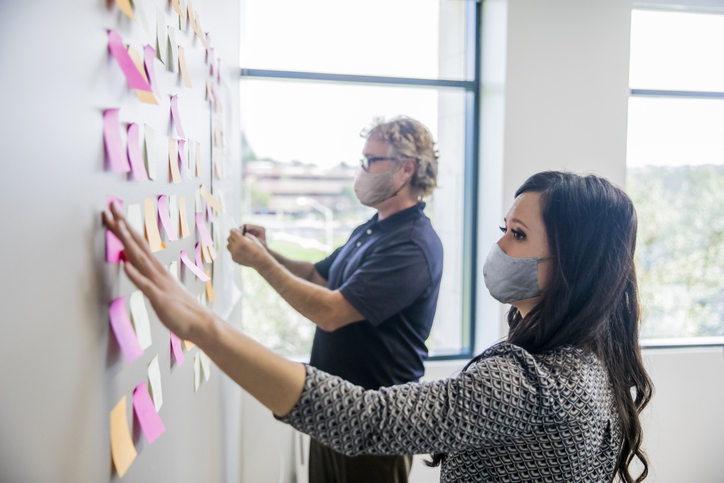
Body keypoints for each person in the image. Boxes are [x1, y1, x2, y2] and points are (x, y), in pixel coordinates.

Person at [102, 170, 653, 483]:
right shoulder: (589, 358)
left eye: (519, 235)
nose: (500, 246)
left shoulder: (534, 381)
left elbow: (369, 417)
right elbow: (323, 275)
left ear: (573, 262)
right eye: (503, 228)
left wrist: (203, 326)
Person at [227, 117, 443, 482]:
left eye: (370, 160)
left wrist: (261, 264)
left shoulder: (413, 244)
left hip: (376, 424)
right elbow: (318, 276)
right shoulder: (373, 228)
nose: (362, 170)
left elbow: (331, 312)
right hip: (334, 410)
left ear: (407, 168)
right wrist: (268, 252)